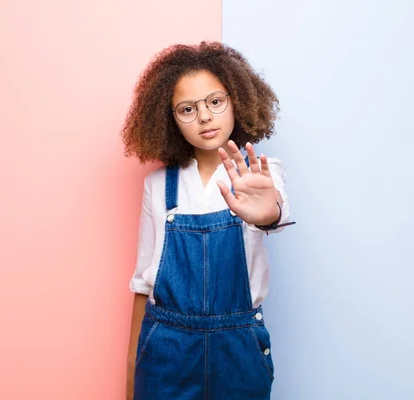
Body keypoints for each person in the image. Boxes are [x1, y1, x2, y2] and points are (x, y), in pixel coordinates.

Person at [122, 41, 293, 400]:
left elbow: (274, 212)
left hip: (238, 346)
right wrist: (131, 370)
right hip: (166, 347)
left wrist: (268, 213)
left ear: (238, 101)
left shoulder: (260, 175)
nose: (204, 116)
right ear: (169, 120)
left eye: (215, 102)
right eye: (187, 109)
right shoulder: (157, 186)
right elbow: (143, 283)